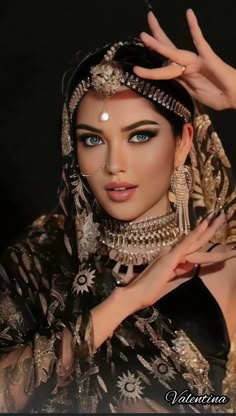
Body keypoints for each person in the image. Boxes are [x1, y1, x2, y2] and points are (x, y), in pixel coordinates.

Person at [0, 8, 236, 414]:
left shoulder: (222, 266)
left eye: (140, 136)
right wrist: (127, 301)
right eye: (93, 139)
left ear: (183, 143)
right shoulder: (40, 258)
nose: (114, 165)